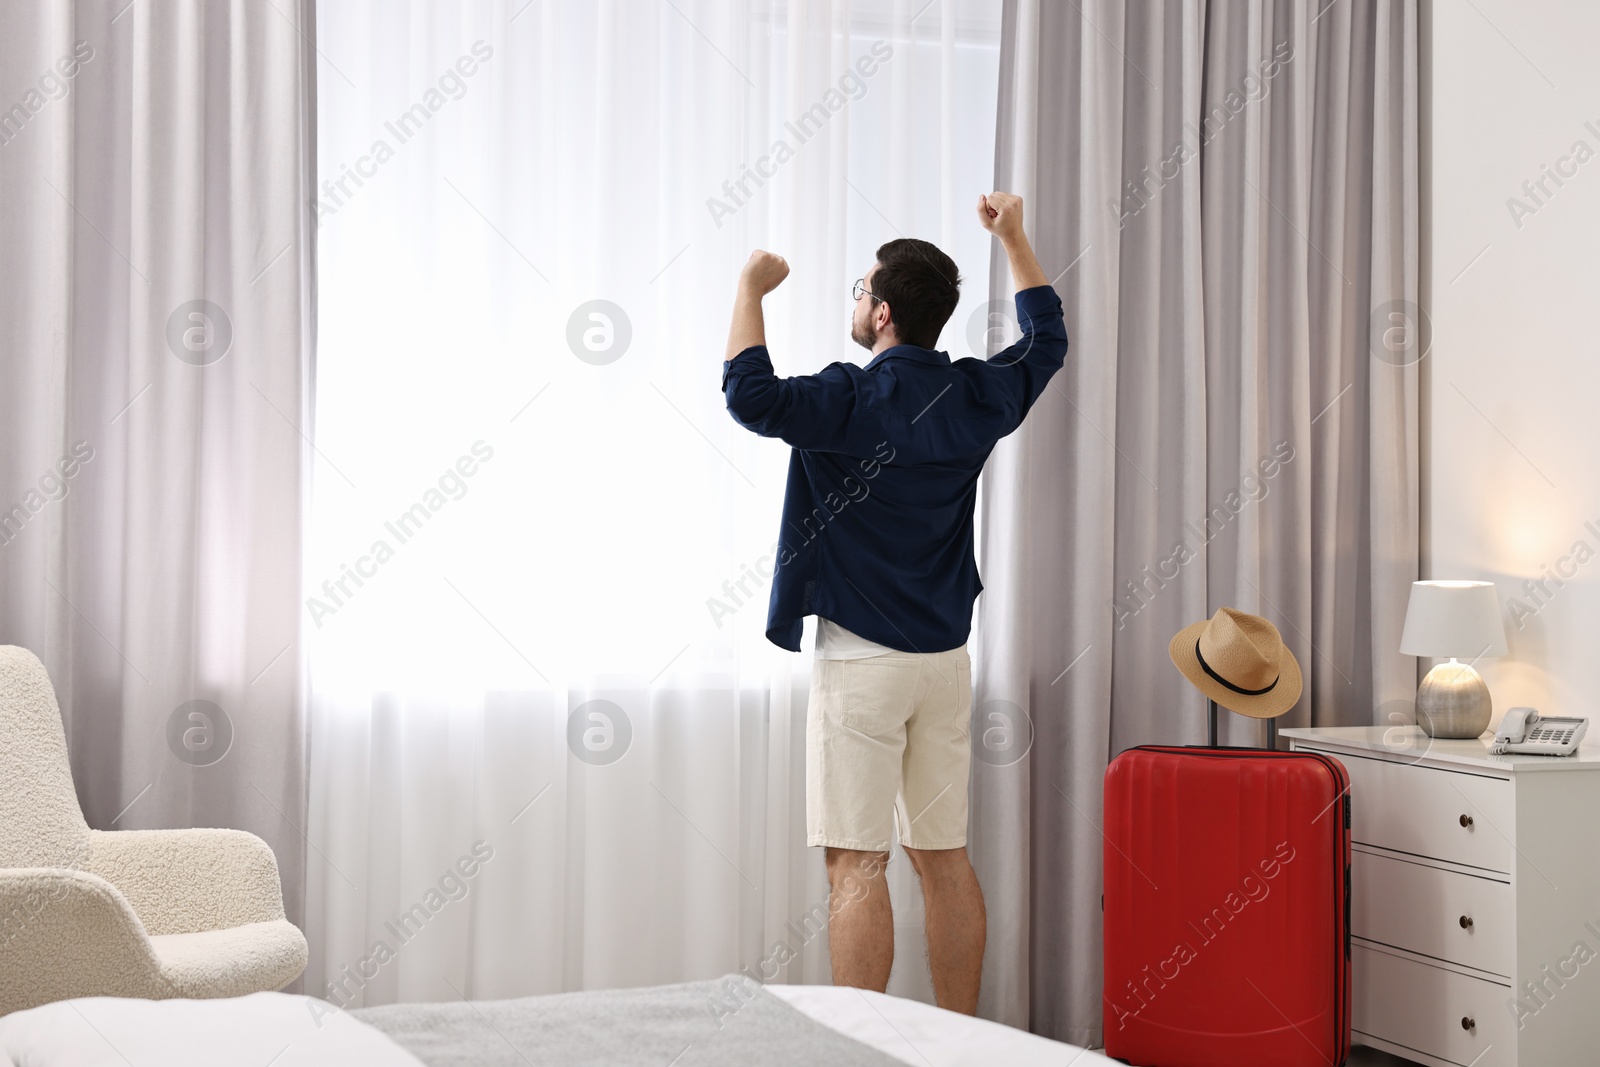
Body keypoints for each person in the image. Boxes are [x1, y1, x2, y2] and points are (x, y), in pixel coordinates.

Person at [719, 192, 1068, 1014]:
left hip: (863, 664)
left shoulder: (847, 398)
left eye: (857, 290)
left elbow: (747, 393)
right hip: (944, 663)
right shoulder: (976, 395)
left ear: (880, 314)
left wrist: (748, 289)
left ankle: (863, 1048)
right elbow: (1048, 342)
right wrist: (1015, 237)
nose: (853, 300)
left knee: (857, 864)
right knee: (943, 857)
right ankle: (962, 1042)